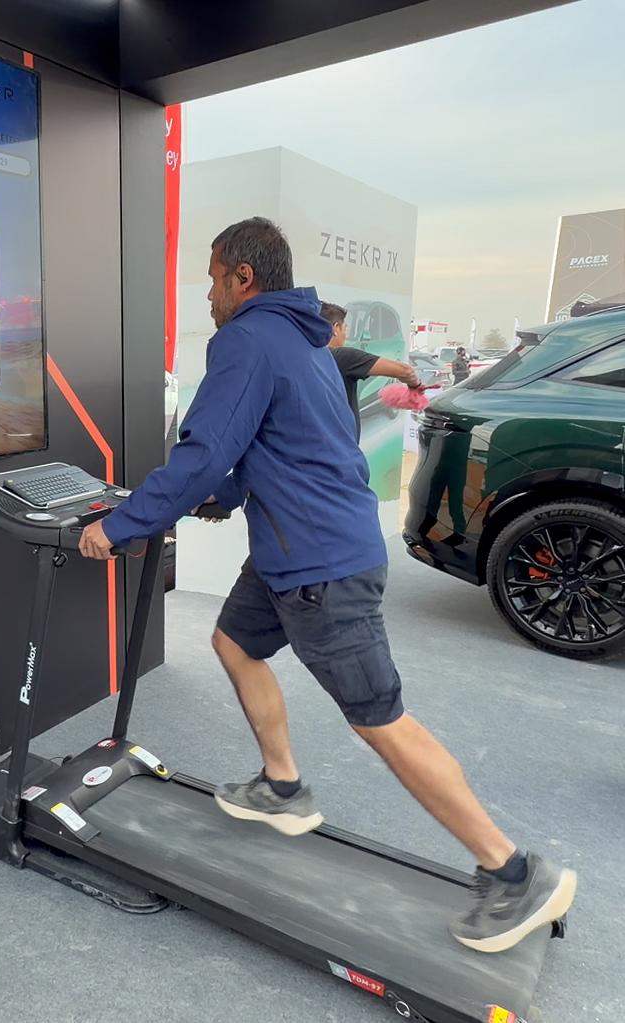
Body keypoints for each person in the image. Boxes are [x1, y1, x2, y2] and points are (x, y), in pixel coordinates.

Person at [77, 217, 576, 954]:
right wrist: (222, 496)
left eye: (213, 276)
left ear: (242, 277)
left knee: (379, 717)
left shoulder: (246, 336)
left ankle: (511, 871)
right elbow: (272, 440)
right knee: (233, 642)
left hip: (319, 564)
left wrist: (120, 525)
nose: (207, 292)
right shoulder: (306, 338)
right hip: (297, 548)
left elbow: (206, 445)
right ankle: (282, 787)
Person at [320, 302, 423, 439]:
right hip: (340, 449)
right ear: (336, 328)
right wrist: (415, 387)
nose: (346, 334)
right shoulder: (343, 357)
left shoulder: (304, 357)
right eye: (345, 328)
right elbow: (405, 371)